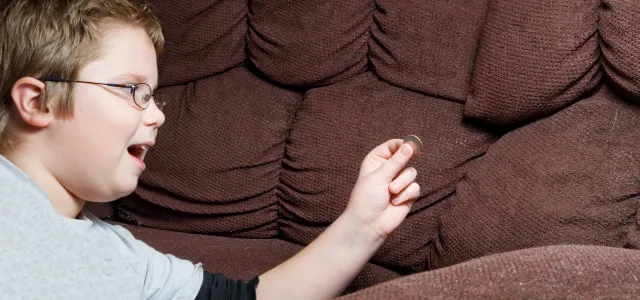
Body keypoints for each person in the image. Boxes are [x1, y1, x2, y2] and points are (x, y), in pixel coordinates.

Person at [0, 0, 421, 299]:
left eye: (154, 96)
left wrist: (362, 227)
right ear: (38, 102)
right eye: (132, 90)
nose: (157, 116)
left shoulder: (123, 260)